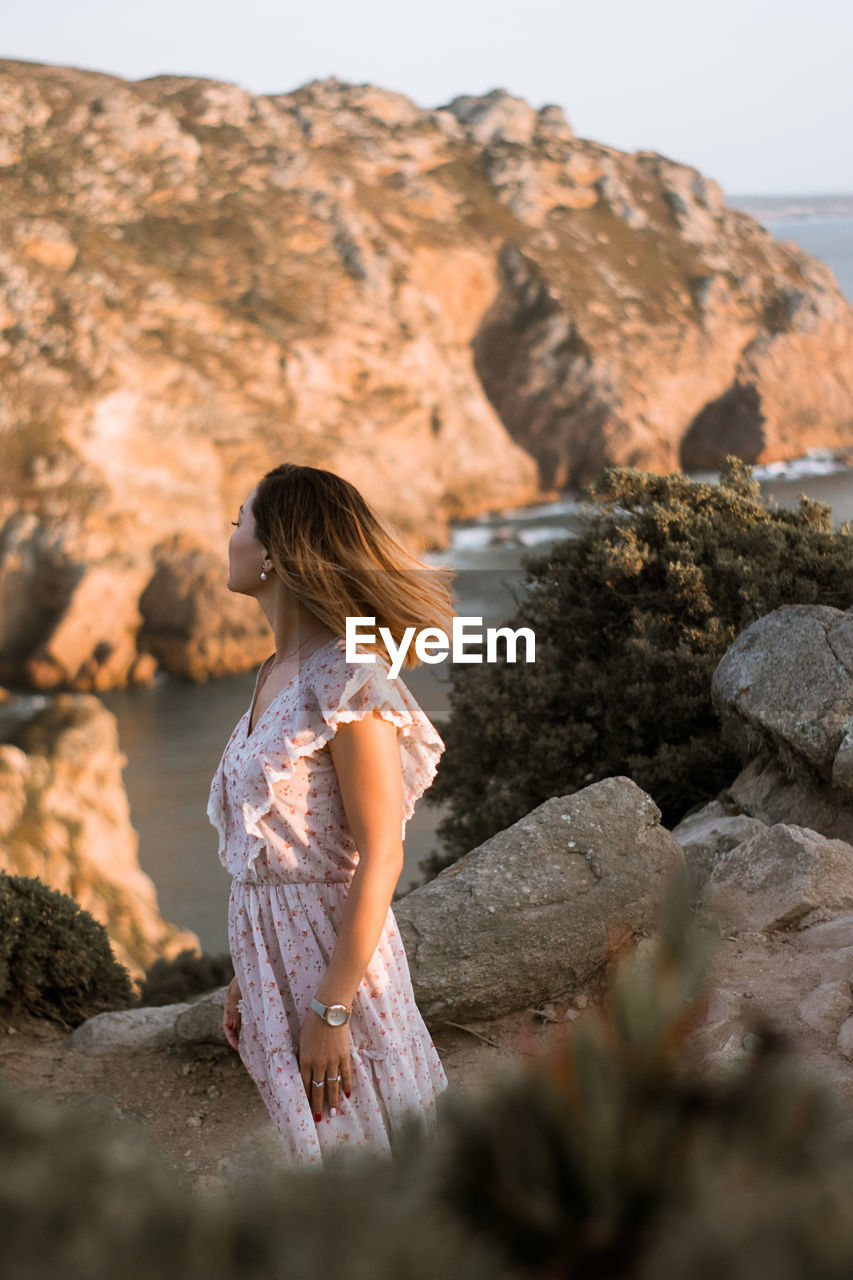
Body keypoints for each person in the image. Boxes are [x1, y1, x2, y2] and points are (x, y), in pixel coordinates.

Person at [207, 463, 456, 1169]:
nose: (227, 538)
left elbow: (381, 855)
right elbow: (272, 846)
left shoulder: (350, 678)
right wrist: (244, 974)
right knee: (319, 1162)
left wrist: (333, 1008)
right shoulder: (273, 673)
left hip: (336, 967)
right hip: (274, 961)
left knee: (370, 1156)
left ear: (273, 554)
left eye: (239, 522)